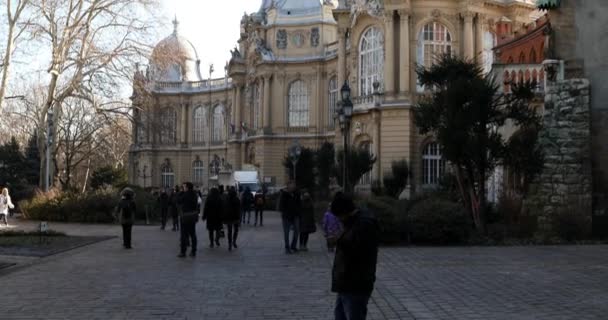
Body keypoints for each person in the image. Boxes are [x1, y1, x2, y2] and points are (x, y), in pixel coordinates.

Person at [330, 192, 379, 320]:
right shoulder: (353, 221)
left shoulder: (364, 224)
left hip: (356, 283)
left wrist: (338, 240)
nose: (338, 220)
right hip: (346, 282)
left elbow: (359, 252)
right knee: (340, 315)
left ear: (345, 212)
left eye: (338, 216)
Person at [177, 182, 199, 258]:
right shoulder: (195, 195)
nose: (184, 188)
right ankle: (193, 251)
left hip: (185, 217)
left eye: (184, 187)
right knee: (193, 234)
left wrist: (181, 192)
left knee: (184, 235)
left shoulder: (185, 194)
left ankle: (183, 252)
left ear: (187, 187)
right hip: (192, 216)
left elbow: (179, 200)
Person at [278, 181, 301, 254]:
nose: (293, 187)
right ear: (288, 186)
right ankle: (287, 247)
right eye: (291, 185)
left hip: (295, 215)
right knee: (286, 232)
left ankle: (293, 246)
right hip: (286, 216)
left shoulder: (296, 194)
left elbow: (299, 203)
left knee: (297, 231)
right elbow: (281, 206)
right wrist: (285, 212)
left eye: (294, 185)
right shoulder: (284, 194)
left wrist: (298, 211)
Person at [223, 187, 241, 251]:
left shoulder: (226, 199)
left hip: (228, 217)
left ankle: (230, 244)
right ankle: (234, 241)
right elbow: (239, 209)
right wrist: (239, 218)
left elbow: (224, 208)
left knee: (229, 231)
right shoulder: (237, 199)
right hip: (235, 217)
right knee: (236, 230)